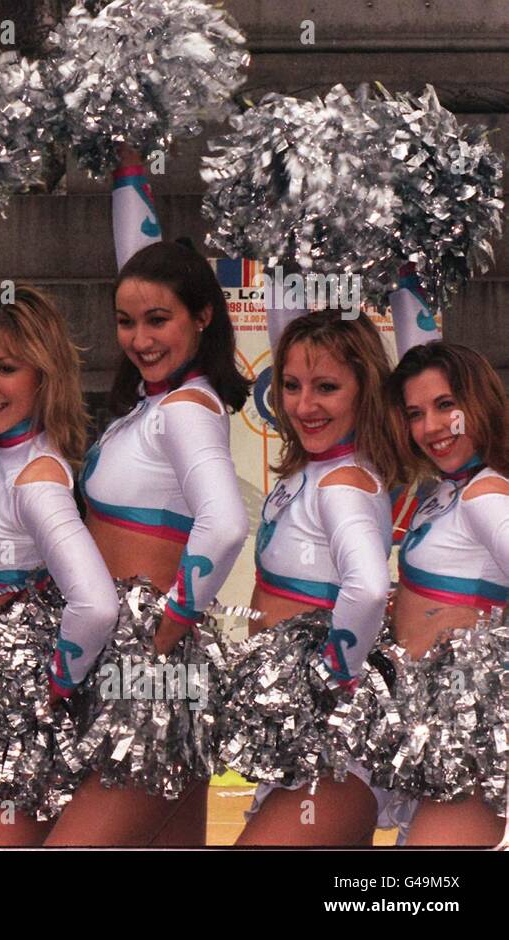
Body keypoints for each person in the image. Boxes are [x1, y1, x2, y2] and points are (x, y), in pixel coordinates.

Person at [45, 147, 250, 846]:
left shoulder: (188, 409)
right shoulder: (153, 406)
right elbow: (146, 258)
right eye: (126, 321)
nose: (138, 338)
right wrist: (128, 165)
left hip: (146, 666)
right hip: (140, 664)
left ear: (201, 318)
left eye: (157, 320)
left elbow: (225, 527)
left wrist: (165, 632)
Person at [0, 285, 119, 846]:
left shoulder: (36, 478)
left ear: (43, 375)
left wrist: (52, 687)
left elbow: (96, 603)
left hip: (16, 716)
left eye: (5, 368)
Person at [229, 310, 405, 846]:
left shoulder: (344, 483)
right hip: (307, 741)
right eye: (291, 385)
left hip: (331, 745)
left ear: (364, 390)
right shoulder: (311, 471)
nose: (304, 405)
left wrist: (333, 684)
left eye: (326, 387)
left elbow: (370, 587)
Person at [382, 341, 509, 846]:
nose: (430, 427)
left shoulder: (485, 493)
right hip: (428, 730)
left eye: (445, 406)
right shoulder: (444, 491)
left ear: (478, 402)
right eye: (415, 413)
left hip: (467, 731)